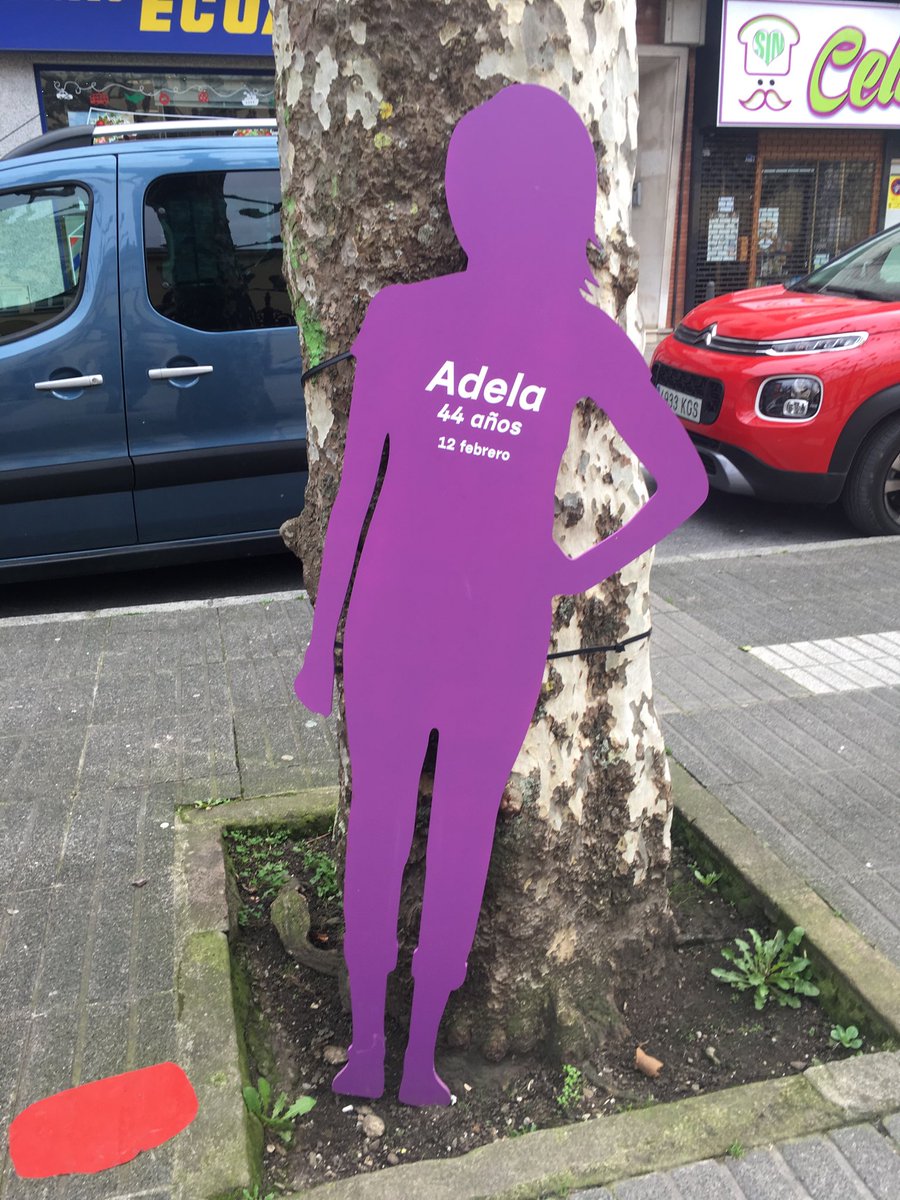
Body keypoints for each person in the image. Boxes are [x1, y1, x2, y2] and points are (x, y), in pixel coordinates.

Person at [294, 83, 708, 1106]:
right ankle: (387, 1053)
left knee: (424, 833)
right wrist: (567, 573)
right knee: (426, 833)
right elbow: (358, 490)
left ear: (466, 196)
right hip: (448, 623)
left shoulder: (498, 326)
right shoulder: (451, 322)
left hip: (442, 622)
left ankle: (399, 1053)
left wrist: (572, 571)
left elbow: (684, 479)